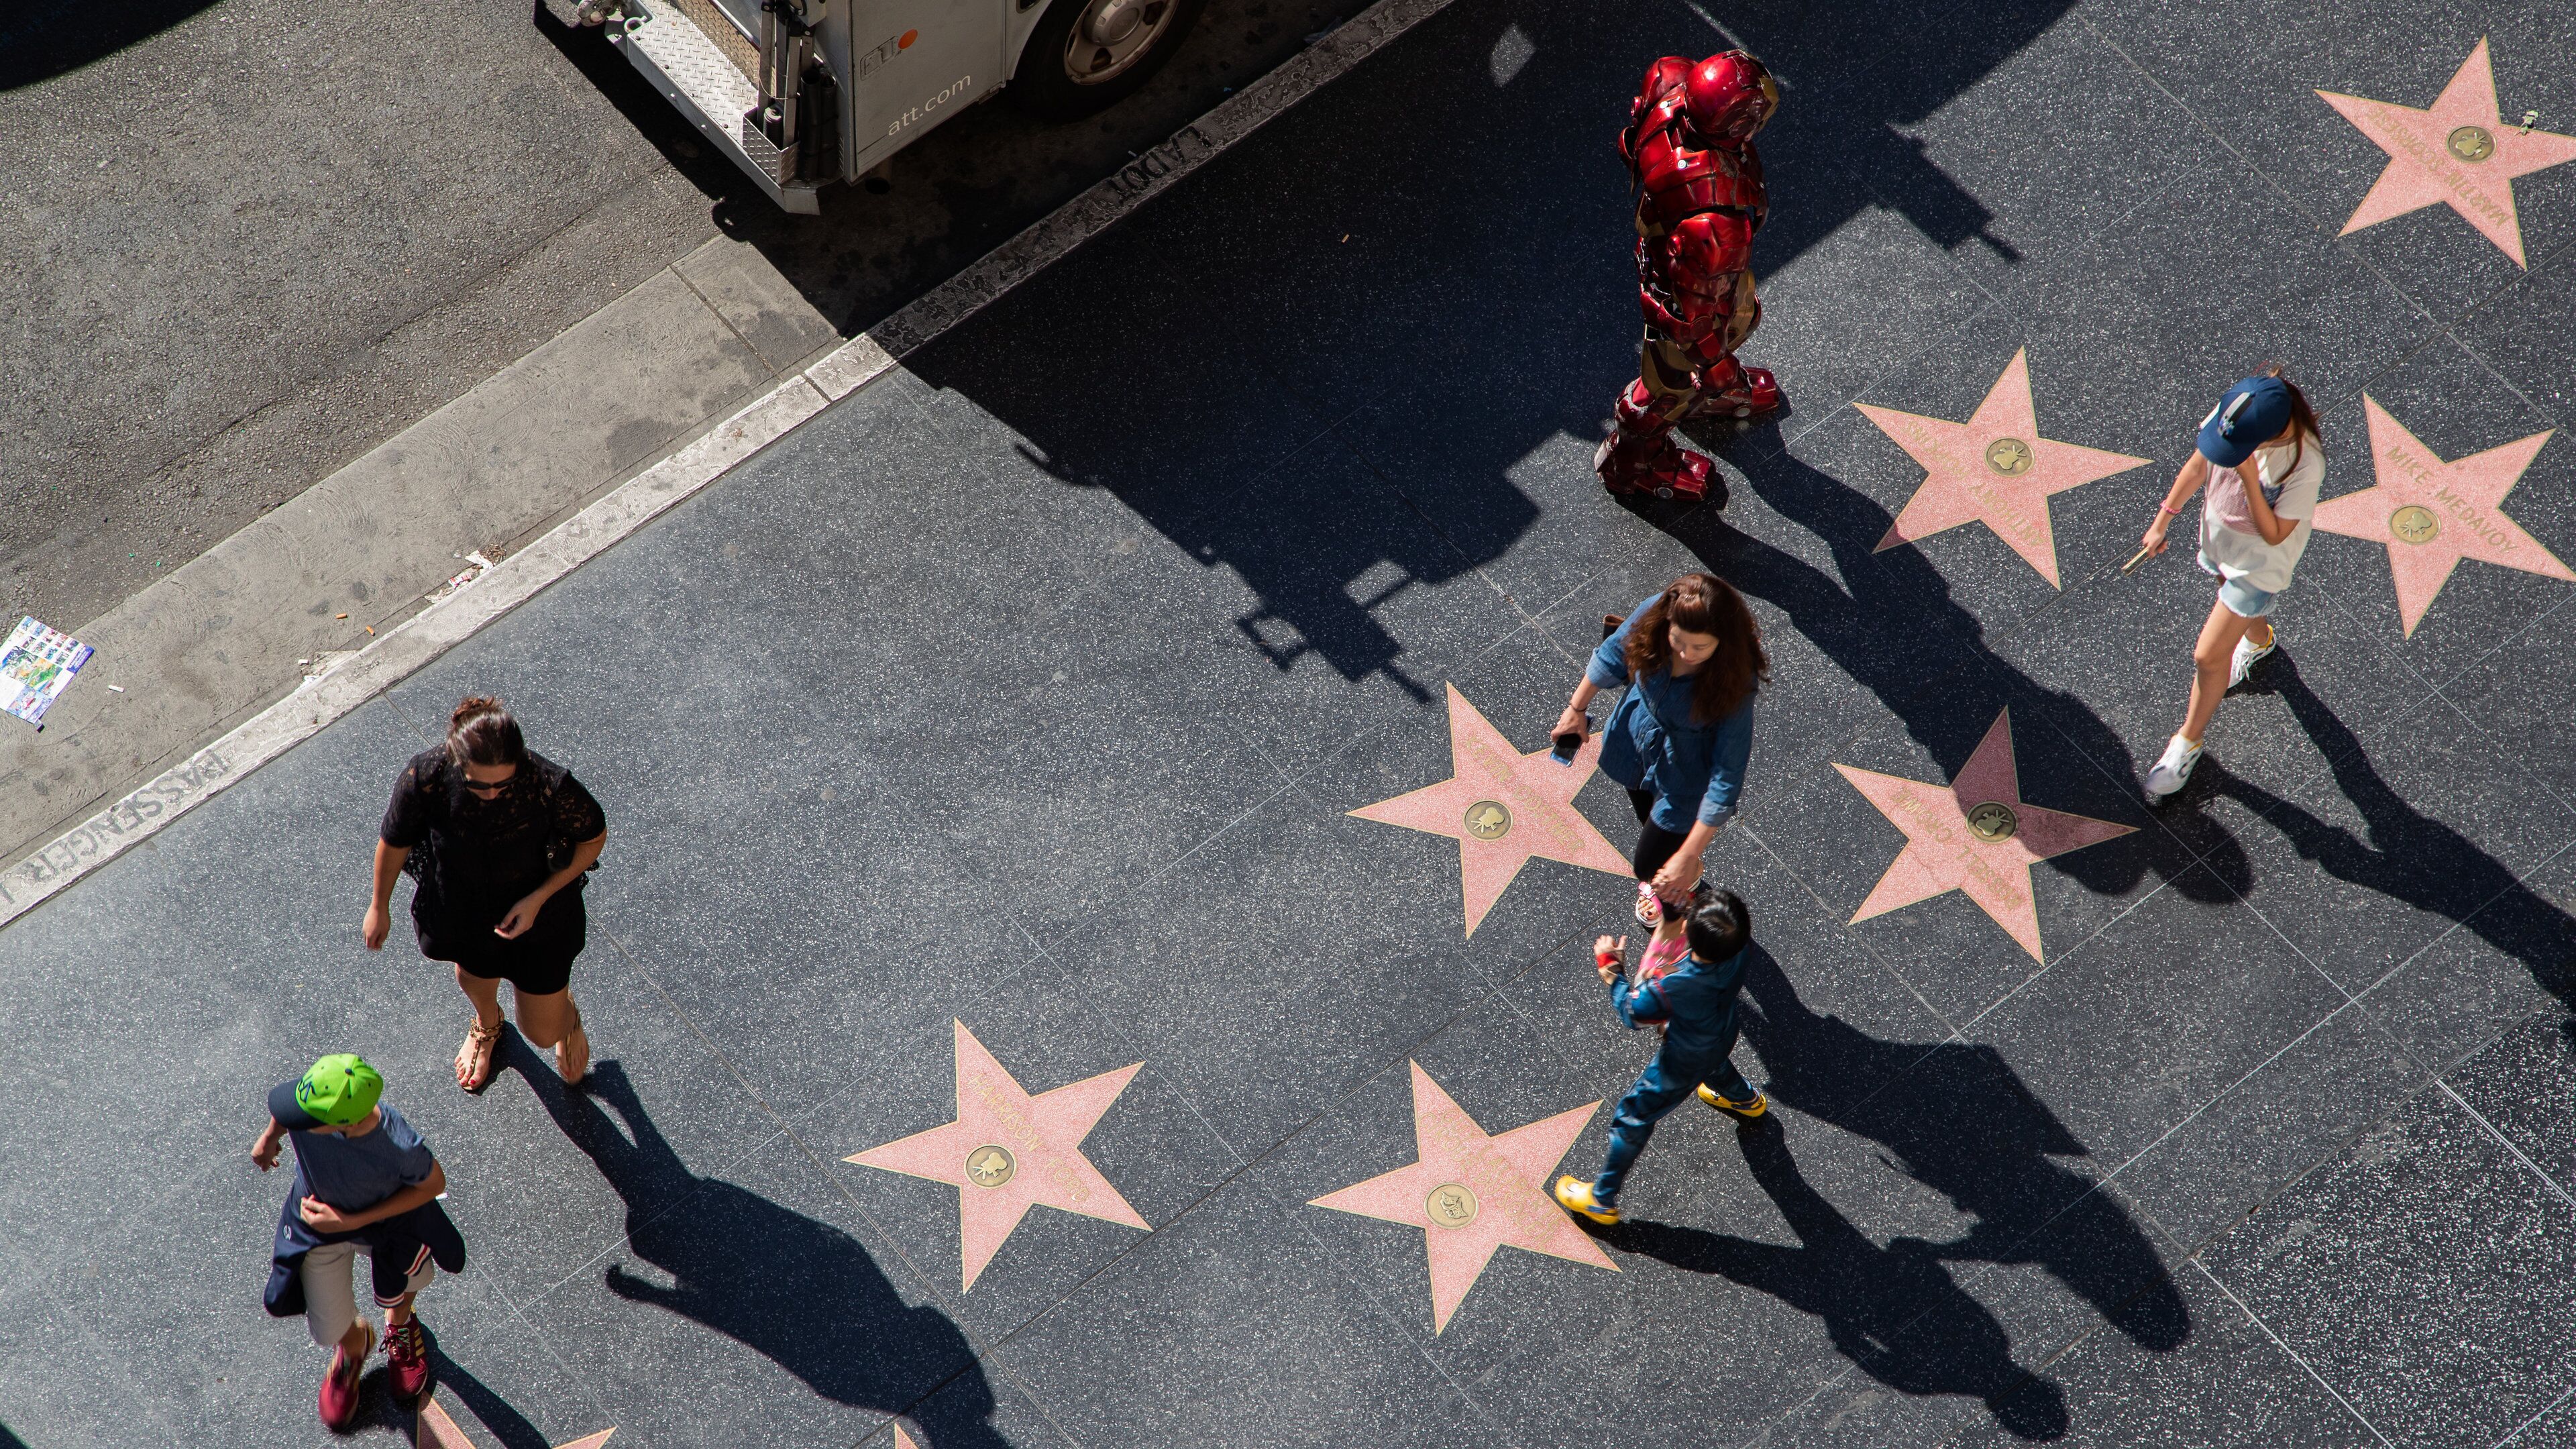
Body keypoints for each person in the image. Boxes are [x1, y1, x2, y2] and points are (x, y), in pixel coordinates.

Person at [364, 696, 607, 1091]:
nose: (492, 794)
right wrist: (379, 905)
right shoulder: (428, 775)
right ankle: (488, 1025)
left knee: (543, 1034)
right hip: (463, 907)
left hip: (537, 915)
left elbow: (593, 839)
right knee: (474, 977)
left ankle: (567, 1016)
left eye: (503, 783)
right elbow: (395, 840)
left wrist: (537, 899)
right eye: (479, 785)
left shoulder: (547, 783)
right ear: (457, 762)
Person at [1596, 49, 1784, 502]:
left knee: (1740, 310)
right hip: (1683, 292)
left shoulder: (1670, 83)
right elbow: (1696, 316)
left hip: (1675, 247)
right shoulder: (1715, 224)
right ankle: (1633, 465)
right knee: (1666, 385)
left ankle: (1704, 395)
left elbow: (1633, 142)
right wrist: (1714, 366)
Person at [2135, 368, 2326, 800]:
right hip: (2221, 540)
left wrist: (2246, 475)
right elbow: (2200, 462)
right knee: (2238, 618)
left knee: (2207, 656)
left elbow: (2276, 533)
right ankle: (2259, 643)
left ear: (2270, 433)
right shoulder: (2238, 412)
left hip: (2258, 567)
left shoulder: (2304, 462)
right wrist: (2163, 519)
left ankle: (2187, 743)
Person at [252, 1055, 464, 1428]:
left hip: (385, 1224)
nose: (297, 1119)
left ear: (344, 1125)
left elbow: (434, 1185)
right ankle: (353, 1344)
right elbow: (289, 1112)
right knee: (327, 1327)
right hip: (316, 1224)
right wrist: (270, 1137)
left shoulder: (399, 1144)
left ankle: (399, 1323)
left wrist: (353, 1220)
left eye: (307, 1119)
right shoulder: (320, 1098)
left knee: (411, 1277)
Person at [1554, 573, 1765, 917]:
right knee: (1646, 814)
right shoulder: (1657, 609)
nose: (1686, 653)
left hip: (1684, 775)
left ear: (1723, 642)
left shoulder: (1736, 683)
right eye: (1678, 640)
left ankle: (1680, 887)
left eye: (1701, 647)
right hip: (1633, 740)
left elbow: (1727, 774)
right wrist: (1576, 709)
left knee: (1647, 865)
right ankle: (1684, 876)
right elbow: (1613, 653)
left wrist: (1690, 854)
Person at [1555, 892, 1768, 1224]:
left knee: (1633, 1114)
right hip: (1722, 1032)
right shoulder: (1740, 949)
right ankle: (1746, 1101)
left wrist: (1612, 971)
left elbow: (1633, 1012)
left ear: (1689, 936)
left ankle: (1601, 1198)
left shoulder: (1674, 986)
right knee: (1715, 1066)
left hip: (1682, 1057)